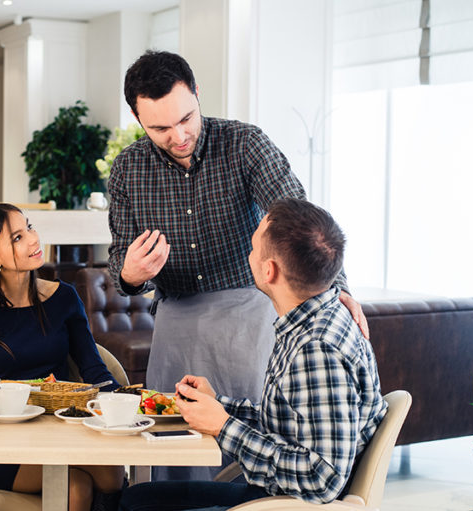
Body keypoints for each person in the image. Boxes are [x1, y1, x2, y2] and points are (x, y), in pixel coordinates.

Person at [107, 50, 368, 480]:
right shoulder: (127, 171)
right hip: (177, 318)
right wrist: (130, 273)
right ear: (138, 118)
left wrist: (335, 287)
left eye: (186, 118)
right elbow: (120, 260)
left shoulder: (245, 145)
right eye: (160, 128)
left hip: (251, 314)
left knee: (249, 437)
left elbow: (296, 218)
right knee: (172, 438)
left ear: (195, 93)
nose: (179, 135)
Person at [118, 198, 388, 511]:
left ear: (269, 270)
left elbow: (323, 479)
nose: (248, 253)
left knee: (135, 505)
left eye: (253, 246)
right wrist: (220, 407)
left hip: (283, 505)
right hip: (274, 494)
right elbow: (293, 422)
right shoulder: (313, 317)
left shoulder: (317, 348)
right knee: (138, 498)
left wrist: (223, 427)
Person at [0, 202, 125, 511]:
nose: (32, 239)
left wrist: (122, 410)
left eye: (29, 227)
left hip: (62, 429)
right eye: (16, 237)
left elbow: (94, 369)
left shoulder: (64, 297)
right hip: (5, 444)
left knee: (112, 475)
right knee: (78, 488)